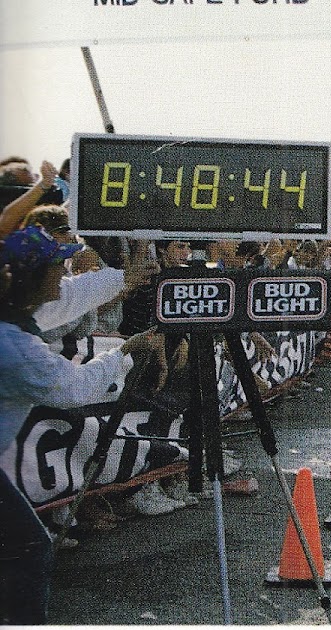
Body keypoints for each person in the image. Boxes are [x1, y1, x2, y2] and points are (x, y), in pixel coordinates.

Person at [0, 226, 166, 624]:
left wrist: (122, 278)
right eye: (58, 265)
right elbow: (74, 389)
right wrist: (124, 351)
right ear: (34, 277)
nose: (65, 272)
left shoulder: (13, 310)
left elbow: (68, 297)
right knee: (30, 547)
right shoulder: (14, 346)